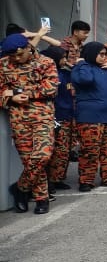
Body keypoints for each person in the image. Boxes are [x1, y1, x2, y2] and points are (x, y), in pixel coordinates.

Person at [1, 34, 58, 214]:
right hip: (18, 118)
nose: (16, 59)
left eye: (19, 54)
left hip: (42, 117)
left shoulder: (45, 62)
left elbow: (50, 88)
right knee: (29, 160)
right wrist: (11, 98)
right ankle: (42, 198)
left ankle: (21, 188)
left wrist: (15, 90)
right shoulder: (3, 64)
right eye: (13, 56)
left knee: (42, 156)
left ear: (28, 47)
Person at [72, 41, 107, 191]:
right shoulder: (80, 69)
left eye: (105, 54)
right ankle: (86, 180)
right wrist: (82, 63)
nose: (104, 57)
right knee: (90, 150)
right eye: (101, 54)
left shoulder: (106, 70)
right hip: (90, 117)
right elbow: (85, 80)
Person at [41, 46, 74, 193]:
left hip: (67, 115)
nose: (65, 60)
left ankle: (58, 178)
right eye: (62, 57)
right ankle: (50, 180)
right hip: (56, 116)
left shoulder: (65, 73)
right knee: (56, 150)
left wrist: (69, 65)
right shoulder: (50, 74)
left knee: (65, 150)